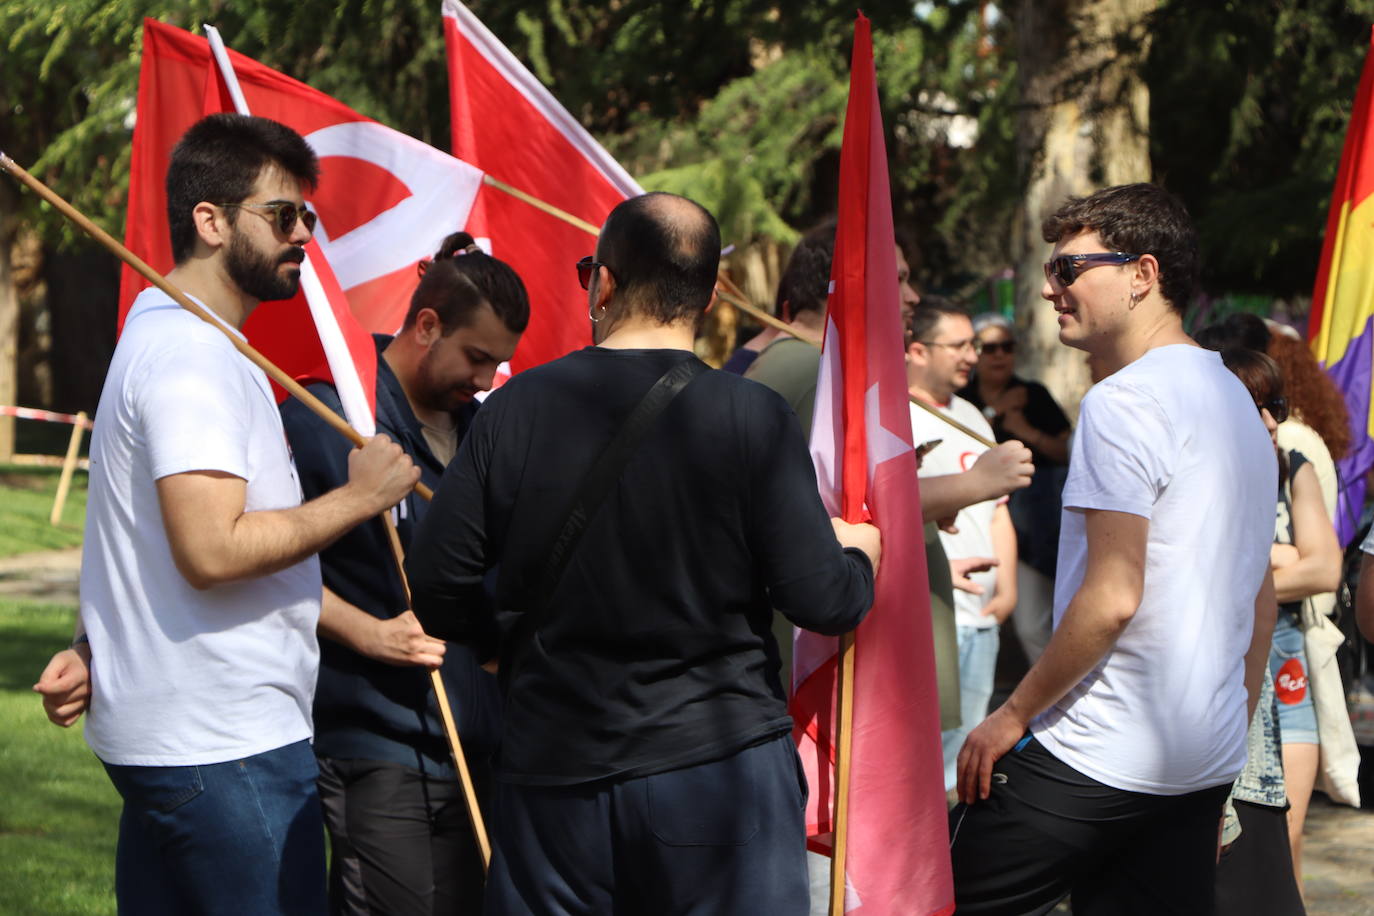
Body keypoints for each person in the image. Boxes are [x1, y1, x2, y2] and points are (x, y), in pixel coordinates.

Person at [405, 192, 881, 915]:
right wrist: (860, 554)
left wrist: (495, 642)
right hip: (717, 772)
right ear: (713, 297)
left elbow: (437, 583)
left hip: (556, 777)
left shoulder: (512, 408)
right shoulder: (751, 415)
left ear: (603, 282)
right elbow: (824, 598)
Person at [33, 113, 419, 915]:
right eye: (283, 215)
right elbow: (211, 550)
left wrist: (90, 646)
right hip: (226, 747)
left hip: (185, 740)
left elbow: (138, 540)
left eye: (308, 216)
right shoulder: (192, 356)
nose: (303, 235)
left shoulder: (168, 334)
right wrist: (359, 497)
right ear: (209, 220)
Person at [949, 183, 1277, 915]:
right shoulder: (1238, 400)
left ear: (1142, 274)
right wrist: (1227, 734)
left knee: (924, 897)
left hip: (1098, 753)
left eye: (1068, 268)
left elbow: (1114, 595)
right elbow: (1259, 601)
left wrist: (1012, 715)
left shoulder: (1123, 401)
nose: (1047, 287)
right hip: (1196, 763)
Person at [279, 231, 528, 915]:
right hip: (374, 738)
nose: (483, 381)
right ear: (426, 325)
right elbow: (265, 563)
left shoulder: (488, 434)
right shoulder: (330, 417)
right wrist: (367, 633)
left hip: (475, 739)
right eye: (476, 358)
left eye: (497, 367)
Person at [1210, 347, 1309, 916]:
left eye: (1276, 405)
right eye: (1255, 406)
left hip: (1247, 754)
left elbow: (1315, 567)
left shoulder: (1267, 473)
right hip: (1212, 758)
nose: (1272, 422)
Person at [906, 300, 1018, 792]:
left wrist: (1008, 589)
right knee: (919, 753)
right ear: (917, 350)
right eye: (959, 346)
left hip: (983, 617)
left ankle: (949, 855)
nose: (972, 355)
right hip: (932, 612)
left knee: (967, 750)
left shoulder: (971, 414)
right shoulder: (894, 417)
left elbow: (998, 509)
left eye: (974, 345)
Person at [958, 312, 1072, 664]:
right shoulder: (961, 398)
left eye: (1006, 347)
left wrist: (1023, 428)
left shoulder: (1033, 395)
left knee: (1042, 619)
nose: (999, 355)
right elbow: (959, 442)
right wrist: (995, 412)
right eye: (989, 348)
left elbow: (1064, 450)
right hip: (979, 518)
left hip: (1039, 522)